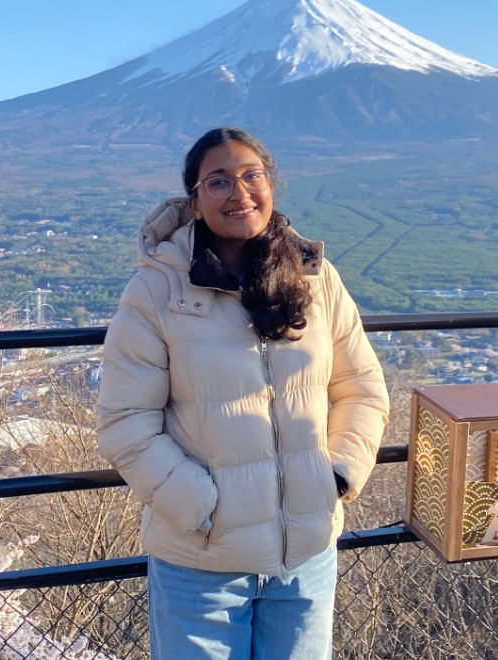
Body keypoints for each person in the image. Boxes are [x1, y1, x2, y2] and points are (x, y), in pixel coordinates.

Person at [97, 127, 389, 659]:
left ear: (271, 184)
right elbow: (125, 421)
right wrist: (198, 505)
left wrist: (336, 475)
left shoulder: (315, 278)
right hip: (201, 563)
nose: (240, 192)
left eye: (252, 175)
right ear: (195, 200)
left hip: (305, 557)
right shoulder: (158, 290)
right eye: (219, 181)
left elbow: (362, 388)